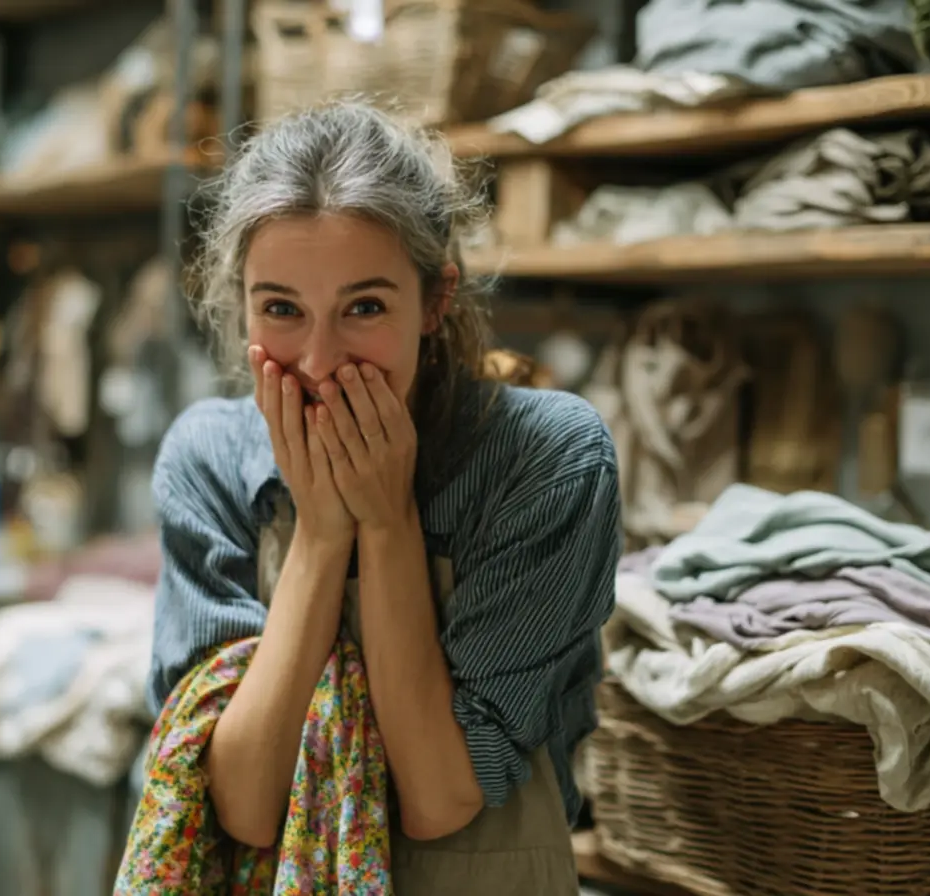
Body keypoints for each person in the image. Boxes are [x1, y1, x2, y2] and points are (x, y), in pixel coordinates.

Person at [145, 100, 622, 894]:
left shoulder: (549, 459)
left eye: (364, 307)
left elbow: (439, 796)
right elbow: (243, 805)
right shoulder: (209, 459)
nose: (320, 360)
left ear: (436, 301)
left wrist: (389, 516)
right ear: (243, 304)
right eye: (282, 310)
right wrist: (323, 535)